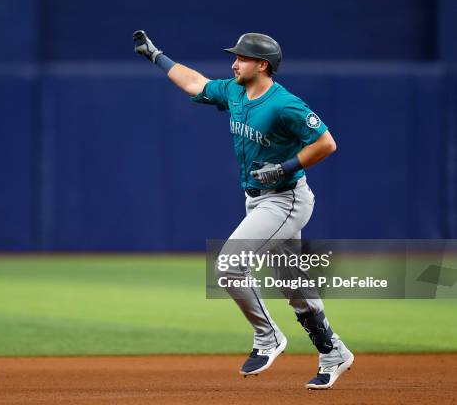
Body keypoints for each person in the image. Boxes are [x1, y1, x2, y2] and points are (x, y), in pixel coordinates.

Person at [133, 30, 354, 390]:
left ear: (262, 64)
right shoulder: (235, 92)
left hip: (286, 199)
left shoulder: (285, 104)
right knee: (293, 285)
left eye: (241, 57)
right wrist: (158, 56)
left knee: (229, 264)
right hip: (257, 199)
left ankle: (267, 337)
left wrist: (284, 167)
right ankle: (334, 352)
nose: (234, 63)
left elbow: (326, 143)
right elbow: (195, 83)